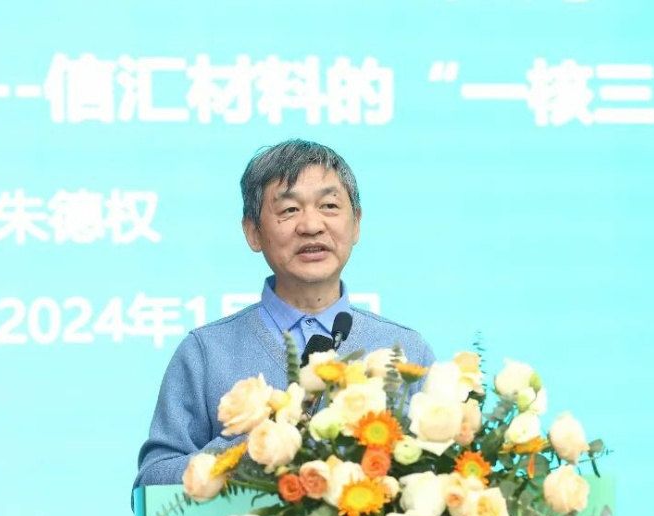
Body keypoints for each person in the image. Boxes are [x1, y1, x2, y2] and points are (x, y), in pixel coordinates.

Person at [134, 139, 434, 489]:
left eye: (329, 206)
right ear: (253, 232)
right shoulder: (205, 352)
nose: (311, 225)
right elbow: (151, 484)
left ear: (356, 224)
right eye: (289, 210)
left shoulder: (405, 350)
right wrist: (255, 448)